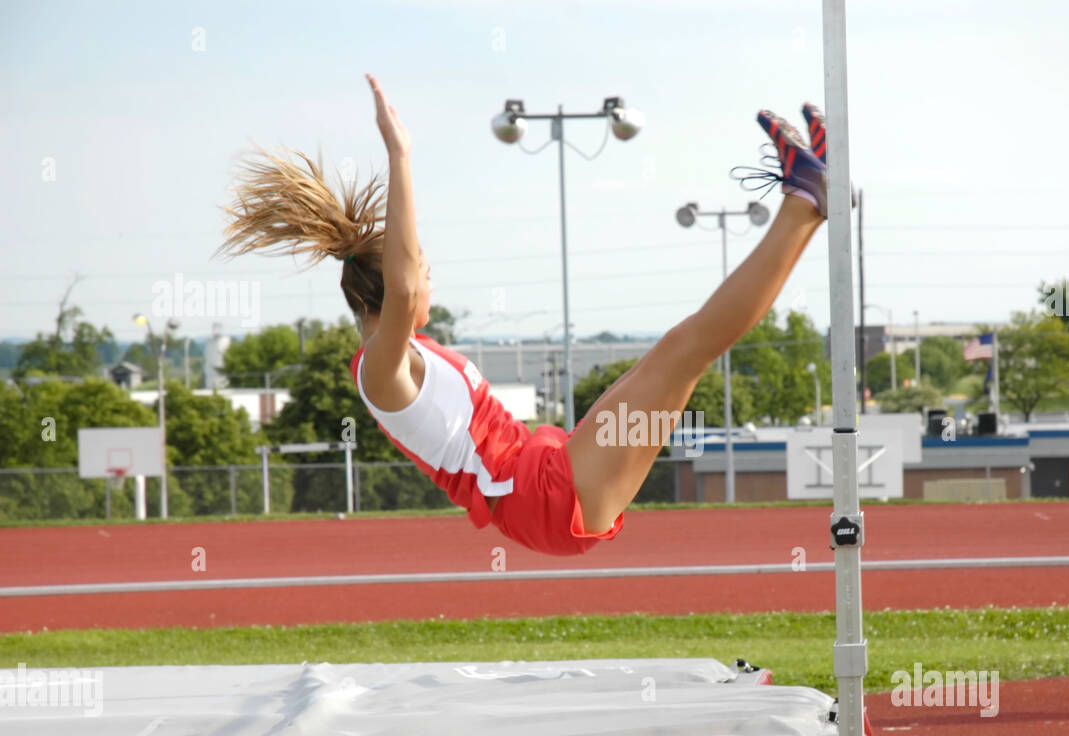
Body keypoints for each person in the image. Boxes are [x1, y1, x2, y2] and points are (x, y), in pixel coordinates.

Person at [219, 74, 830, 557]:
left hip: (552, 470)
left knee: (682, 358)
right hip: (545, 492)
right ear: (383, 291)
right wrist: (399, 156)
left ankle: (810, 198)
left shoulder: (409, 355)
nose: (428, 283)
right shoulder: (380, 372)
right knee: (686, 348)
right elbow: (405, 291)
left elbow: (403, 288)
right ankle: (805, 198)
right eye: (424, 272)